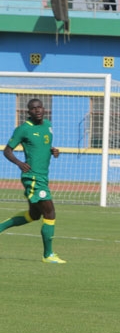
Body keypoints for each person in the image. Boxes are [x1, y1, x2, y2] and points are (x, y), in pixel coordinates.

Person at [1, 98, 66, 263]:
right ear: (28, 112)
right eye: (33, 108)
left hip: (43, 175)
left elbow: (42, 146)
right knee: (50, 212)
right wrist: (19, 163)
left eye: (39, 107)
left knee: (33, 215)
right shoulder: (23, 129)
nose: (37, 110)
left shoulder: (48, 126)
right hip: (33, 177)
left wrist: (53, 151)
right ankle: (48, 255)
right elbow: (7, 151)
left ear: (44, 109)